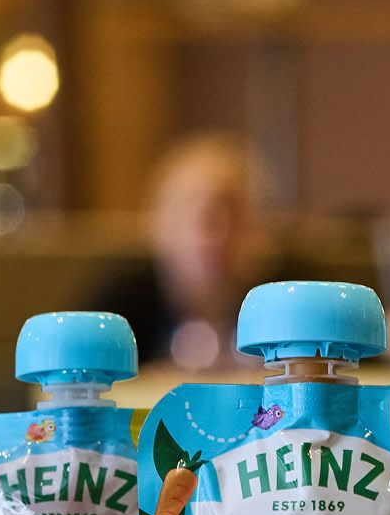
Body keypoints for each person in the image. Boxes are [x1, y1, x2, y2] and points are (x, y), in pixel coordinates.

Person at [87, 132, 286, 371]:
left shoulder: (287, 300)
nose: (212, 230)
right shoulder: (118, 310)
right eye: (190, 208)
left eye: (230, 209)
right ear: (156, 223)